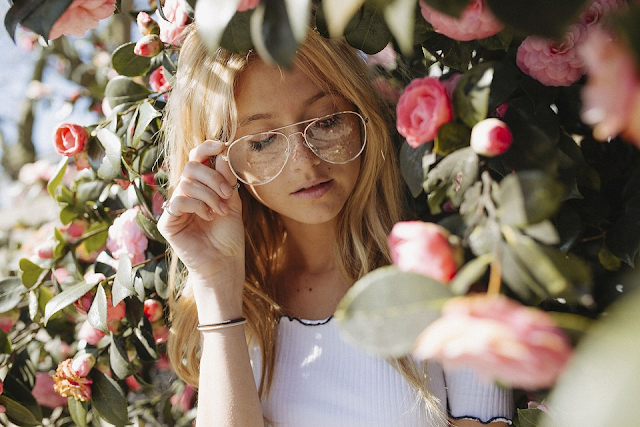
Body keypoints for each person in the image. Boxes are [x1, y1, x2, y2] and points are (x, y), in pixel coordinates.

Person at [157, 22, 513, 427]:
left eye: (326, 122)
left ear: (362, 115)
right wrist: (217, 283)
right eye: (262, 141)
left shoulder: (454, 275)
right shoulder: (238, 308)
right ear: (221, 164)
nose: (305, 162)